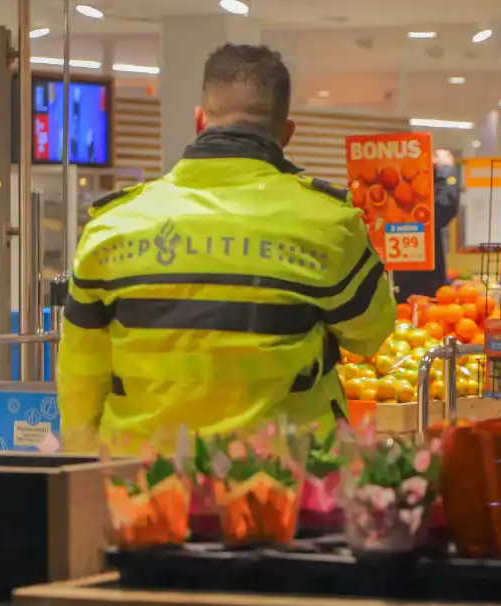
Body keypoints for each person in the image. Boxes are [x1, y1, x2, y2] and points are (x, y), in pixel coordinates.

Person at [57, 44, 396, 453]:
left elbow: (81, 373)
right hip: (284, 487)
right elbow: (370, 334)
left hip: (141, 486)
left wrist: (88, 466)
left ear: (200, 122)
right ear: (286, 134)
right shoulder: (330, 225)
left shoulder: (112, 226)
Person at [393, 149, 460, 302]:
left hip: (395, 286)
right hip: (416, 288)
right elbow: (444, 208)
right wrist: (446, 171)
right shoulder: (415, 201)